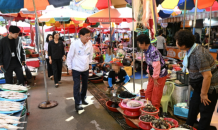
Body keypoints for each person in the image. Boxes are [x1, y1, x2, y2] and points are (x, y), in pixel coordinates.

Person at [174, 30, 218, 130]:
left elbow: (208, 76)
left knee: (205, 111)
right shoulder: (190, 50)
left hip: (210, 86)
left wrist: (204, 94)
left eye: (177, 41)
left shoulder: (199, 54)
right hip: (199, 85)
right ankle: (187, 127)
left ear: (184, 44)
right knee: (193, 107)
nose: (176, 42)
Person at [136, 34, 168, 109]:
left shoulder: (153, 51)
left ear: (143, 43)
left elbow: (157, 65)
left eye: (139, 44)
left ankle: (155, 112)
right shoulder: (146, 50)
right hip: (153, 73)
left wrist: (155, 77)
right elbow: (149, 63)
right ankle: (148, 108)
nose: (139, 46)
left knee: (156, 95)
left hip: (160, 74)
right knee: (148, 91)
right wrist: (149, 73)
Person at [67, 28, 93, 112]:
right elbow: (69, 56)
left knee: (85, 84)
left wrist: (90, 63)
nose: (88, 38)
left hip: (85, 67)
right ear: (81, 36)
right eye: (87, 36)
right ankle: (77, 103)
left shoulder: (90, 44)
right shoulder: (74, 44)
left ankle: (83, 98)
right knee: (77, 85)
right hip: (76, 68)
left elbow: (91, 55)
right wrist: (69, 68)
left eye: (89, 36)